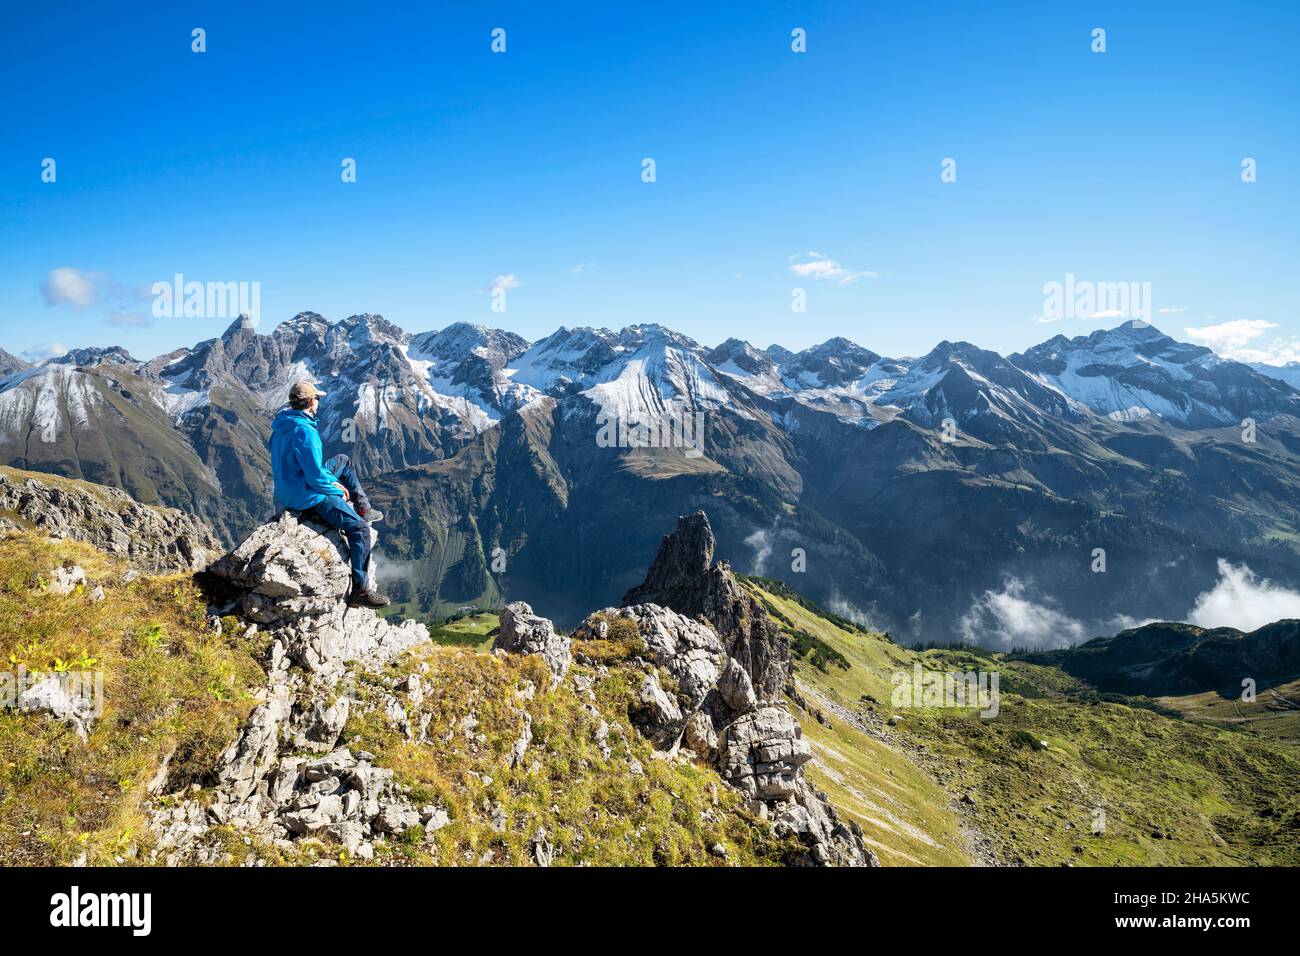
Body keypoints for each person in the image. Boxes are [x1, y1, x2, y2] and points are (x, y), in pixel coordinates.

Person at [270, 381, 390, 607]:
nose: (318, 402)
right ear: (311, 401)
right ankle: (360, 591)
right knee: (360, 530)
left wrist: (327, 479)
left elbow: (298, 465)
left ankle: (364, 508)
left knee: (342, 461)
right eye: (317, 398)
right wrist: (336, 488)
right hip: (307, 497)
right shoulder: (305, 431)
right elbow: (314, 477)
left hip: (287, 490)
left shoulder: (281, 425)